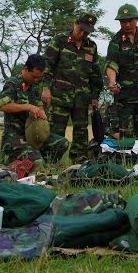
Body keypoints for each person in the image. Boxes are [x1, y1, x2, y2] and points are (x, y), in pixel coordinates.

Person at [42, 13, 104, 163]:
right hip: (59, 95)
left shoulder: (91, 46)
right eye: (81, 29)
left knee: (81, 132)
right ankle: (51, 162)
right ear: (75, 24)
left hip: (82, 98)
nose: (83, 33)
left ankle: (79, 162)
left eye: (87, 31)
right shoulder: (59, 41)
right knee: (56, 130)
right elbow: (47, 66)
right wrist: (45, 88)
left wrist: (95, 95)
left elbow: (95, 74)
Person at [0, 54, 67, 166]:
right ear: (25, 69)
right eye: (34, 77)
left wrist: (41, 112)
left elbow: (39, 105)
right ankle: (10, 158)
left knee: (62, 143)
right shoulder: (12, 84)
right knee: (37, 161)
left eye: (39, 78)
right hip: (15, 137)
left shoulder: (34, 87)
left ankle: (47, 166)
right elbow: (1, 106)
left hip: (33, 135)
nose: (37, 80)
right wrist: (28, 107)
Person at [105, 3, 138, 156]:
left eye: (130, 20)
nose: (126, 24)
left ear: (137, 19)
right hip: (124, 96)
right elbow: (111, 65)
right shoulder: (116, 41)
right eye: (123, 21)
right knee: (126, 131)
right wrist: (112, 82)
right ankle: (128, 160)